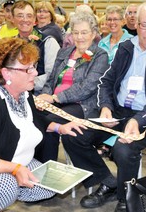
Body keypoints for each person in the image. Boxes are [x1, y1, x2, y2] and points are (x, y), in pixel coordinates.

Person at [63, 1, 146, 212]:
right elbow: (106, 81)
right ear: (135, 24)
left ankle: (124, 196)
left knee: (124, 148)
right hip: (118, 110)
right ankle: (105, 181)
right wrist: (106, 107)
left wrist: (138, 120)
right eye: (144, 25)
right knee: (73, 134)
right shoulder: (126, 47)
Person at [0, 37, 86, 211]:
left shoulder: (22, 93)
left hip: (16, 160)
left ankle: (14, 187)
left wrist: (59, 127)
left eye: (34, 66)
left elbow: (34, 120)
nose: (35, 73)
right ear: (6, 73)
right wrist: (15, 169)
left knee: (47, 186)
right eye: (28, 69)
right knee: (6, 188)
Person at [35, 12, 109, 162]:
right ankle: (34, 166)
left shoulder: (100, 55)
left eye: (84, 32)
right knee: (32, 117)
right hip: (55, 102)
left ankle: (47, 169)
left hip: (81, 105)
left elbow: (87, 87)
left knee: (48, 122)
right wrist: (44, 97)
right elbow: (50, 80)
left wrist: (54, 97)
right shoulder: (64, 52)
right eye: (76, 32)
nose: (79, 37)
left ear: (94, 33)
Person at [12, 0, 60, 95]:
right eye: (20, 16)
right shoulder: (9, 44)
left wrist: (25, 83)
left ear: (34, 19)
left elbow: (52, 75)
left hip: (39, 94)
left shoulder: (48, 42)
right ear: (12, 19)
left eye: (29, 16)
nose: (25, 19)